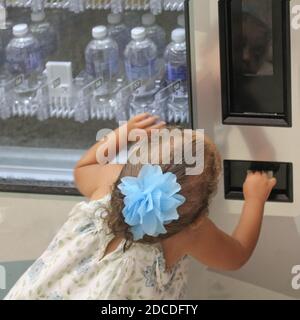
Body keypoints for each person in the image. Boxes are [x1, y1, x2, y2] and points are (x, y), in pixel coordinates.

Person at [5, 113, 276, 300]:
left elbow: (83, 168)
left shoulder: (108, 182)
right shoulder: (191, 233)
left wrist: (122, 134)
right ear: (198, 216)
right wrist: (254, 199)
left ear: (126, 170)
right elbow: (237, 255)